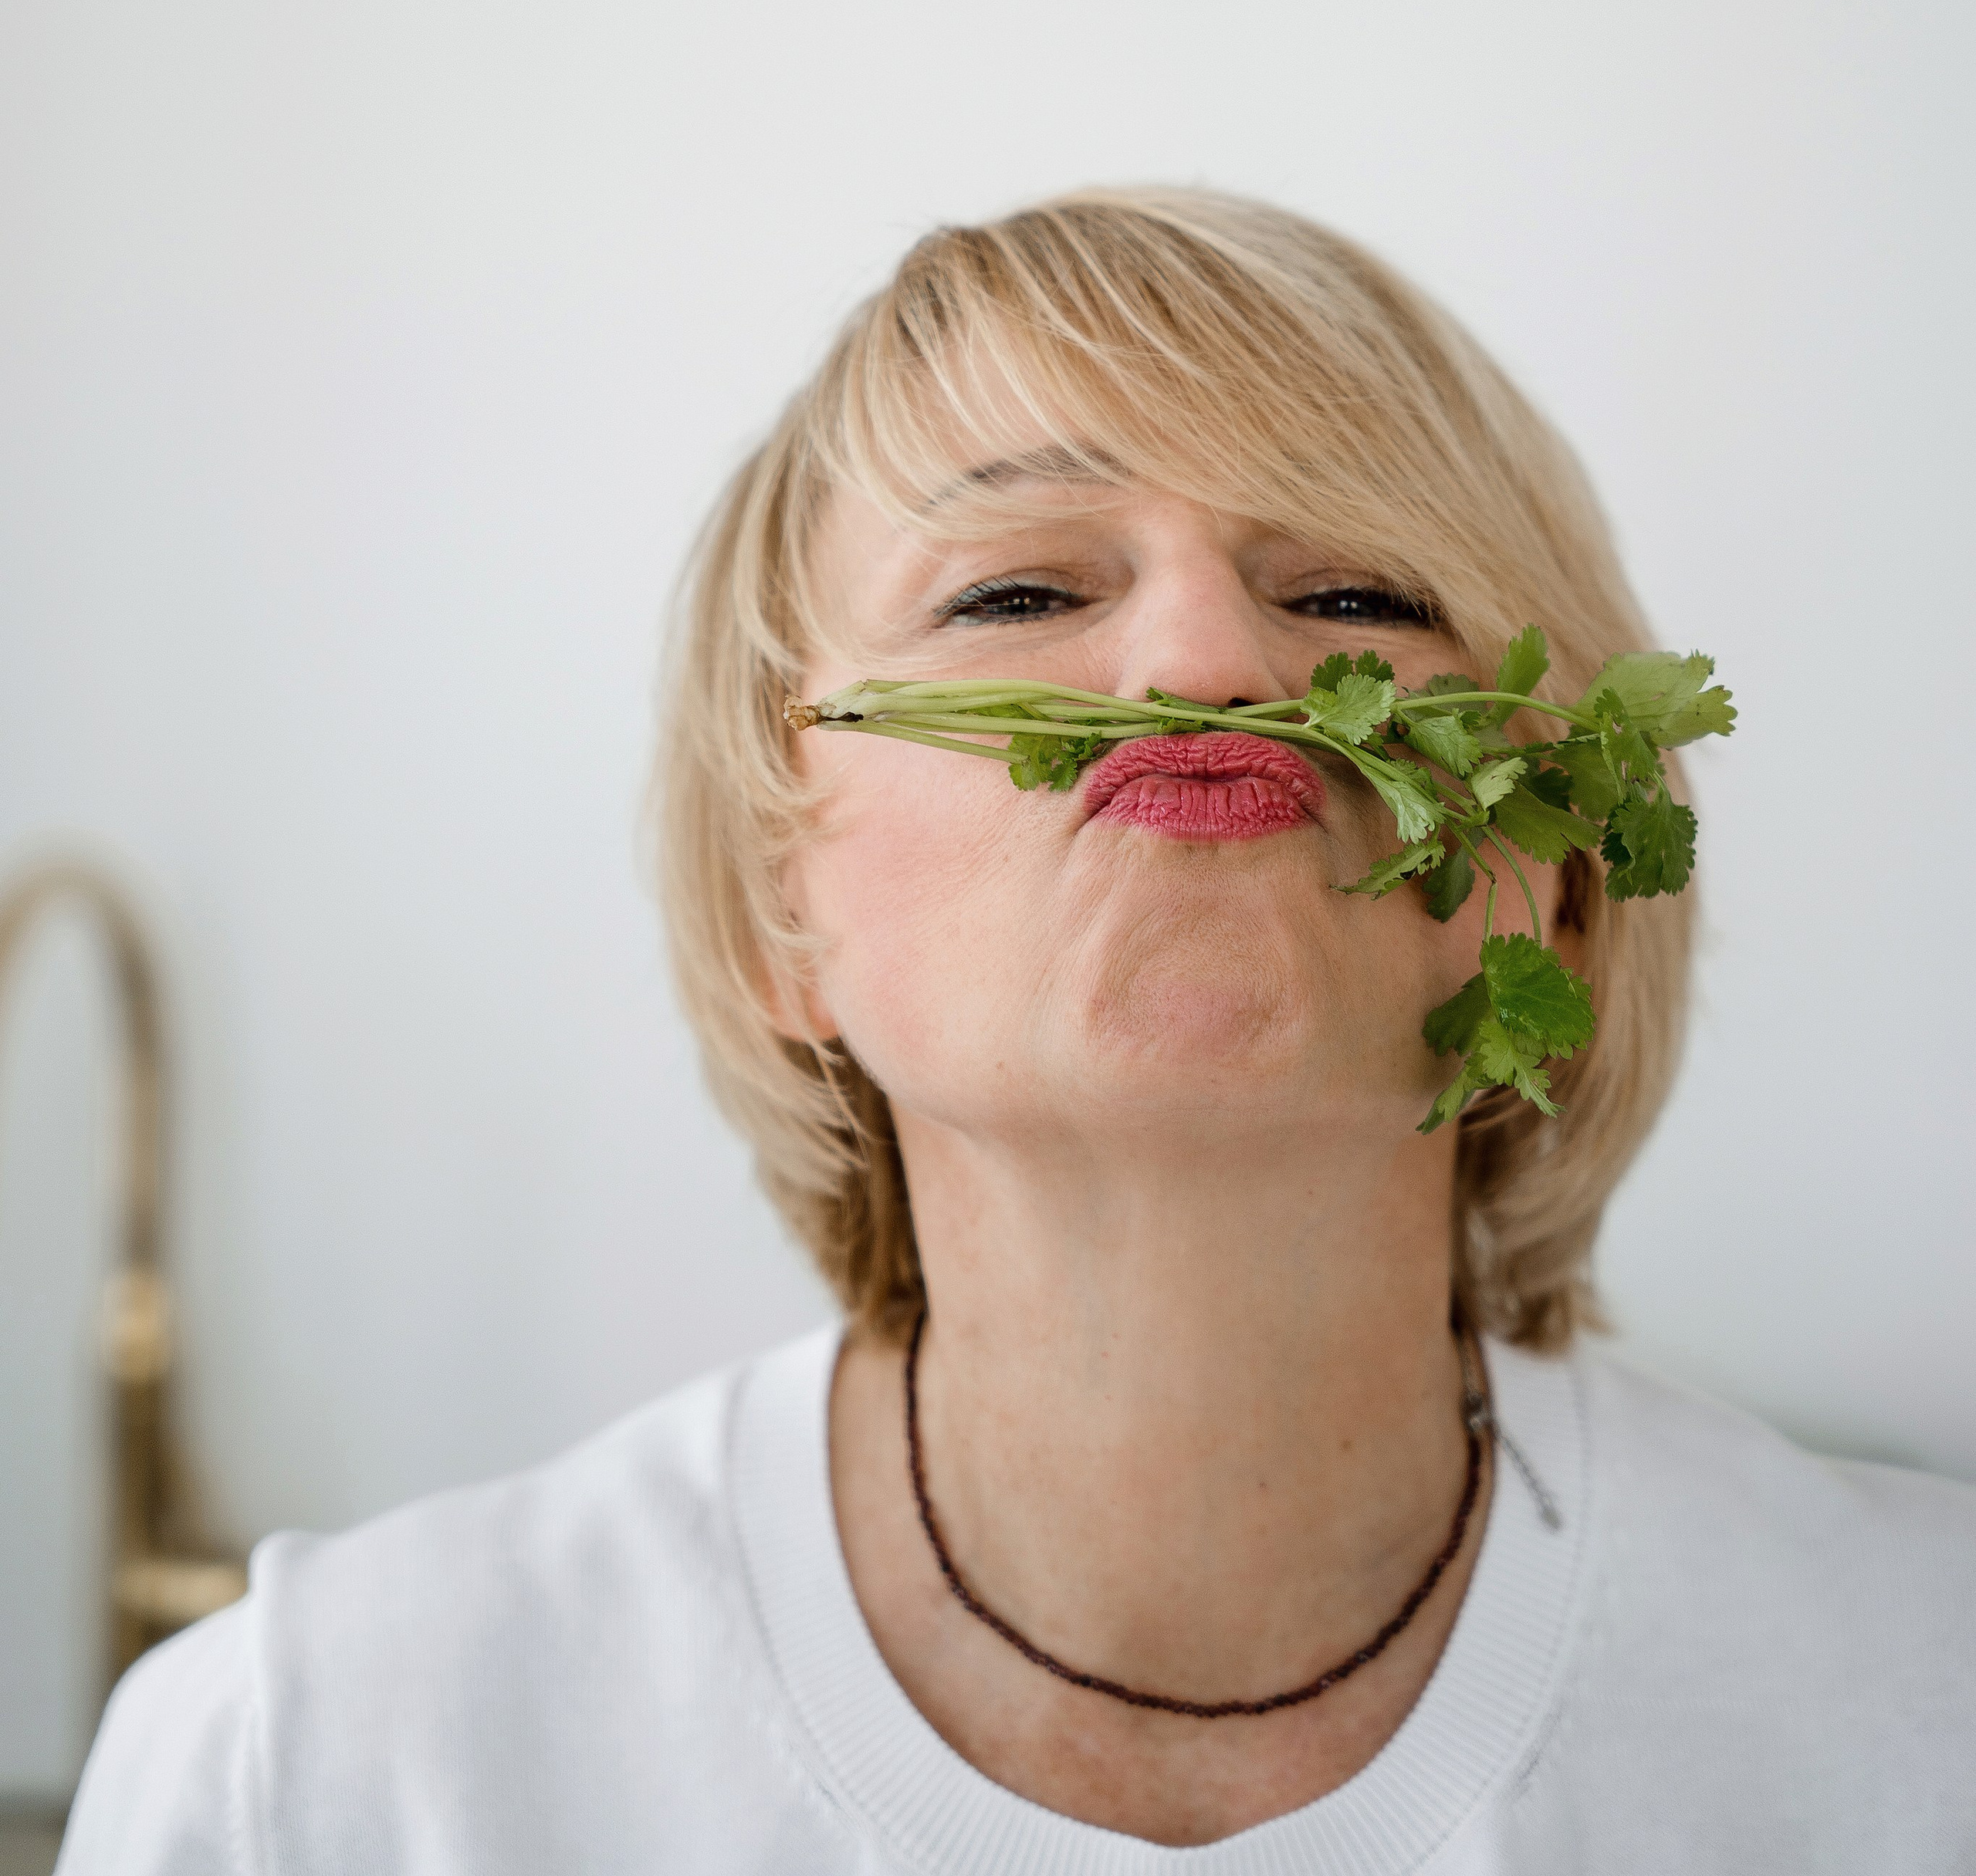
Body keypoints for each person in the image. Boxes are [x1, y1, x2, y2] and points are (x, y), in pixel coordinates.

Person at [60, 190, 1975, 1871]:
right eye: (1018, 588)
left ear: (1557, 883)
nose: (1208, 670)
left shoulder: (1922, 1706)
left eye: (1354, 593)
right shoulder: (317, 1766)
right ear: (772, 915)